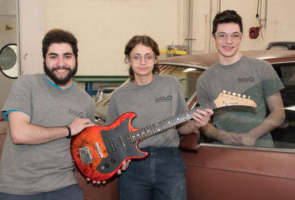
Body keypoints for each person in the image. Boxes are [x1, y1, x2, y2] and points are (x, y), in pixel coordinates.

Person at [105, 35, 213, 200]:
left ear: (156, 59)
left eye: (148, 56)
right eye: (137, 56)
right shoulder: (119, 96)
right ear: (128, 59)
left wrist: (197, 124)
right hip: (133, 167)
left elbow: (182, 127)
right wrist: (120, 158)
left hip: (168, 162)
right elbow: (109, 136)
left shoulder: (171, 85)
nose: (143, 62)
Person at [0, 29, 95, 200]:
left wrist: (103, 168)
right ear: (44, 59)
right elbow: (19, 134)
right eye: (53, 56)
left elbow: (86, 149)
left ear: (76, 59)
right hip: (20, 189)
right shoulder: (26, 85)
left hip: (64, 186)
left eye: (67, 56)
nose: (61, 63)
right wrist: (67, 130)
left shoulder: (86, 102)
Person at [196, 10, 285, 147]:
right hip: (220, 152)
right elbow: (204, 124)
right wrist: (221, 135)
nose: (229, 41)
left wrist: (252, 136)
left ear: (241, 37)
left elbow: (279, 113)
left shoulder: (263, 69)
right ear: (214, 38)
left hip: (260, 151)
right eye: (222, 35)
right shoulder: (205, 79)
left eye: (234, 35)